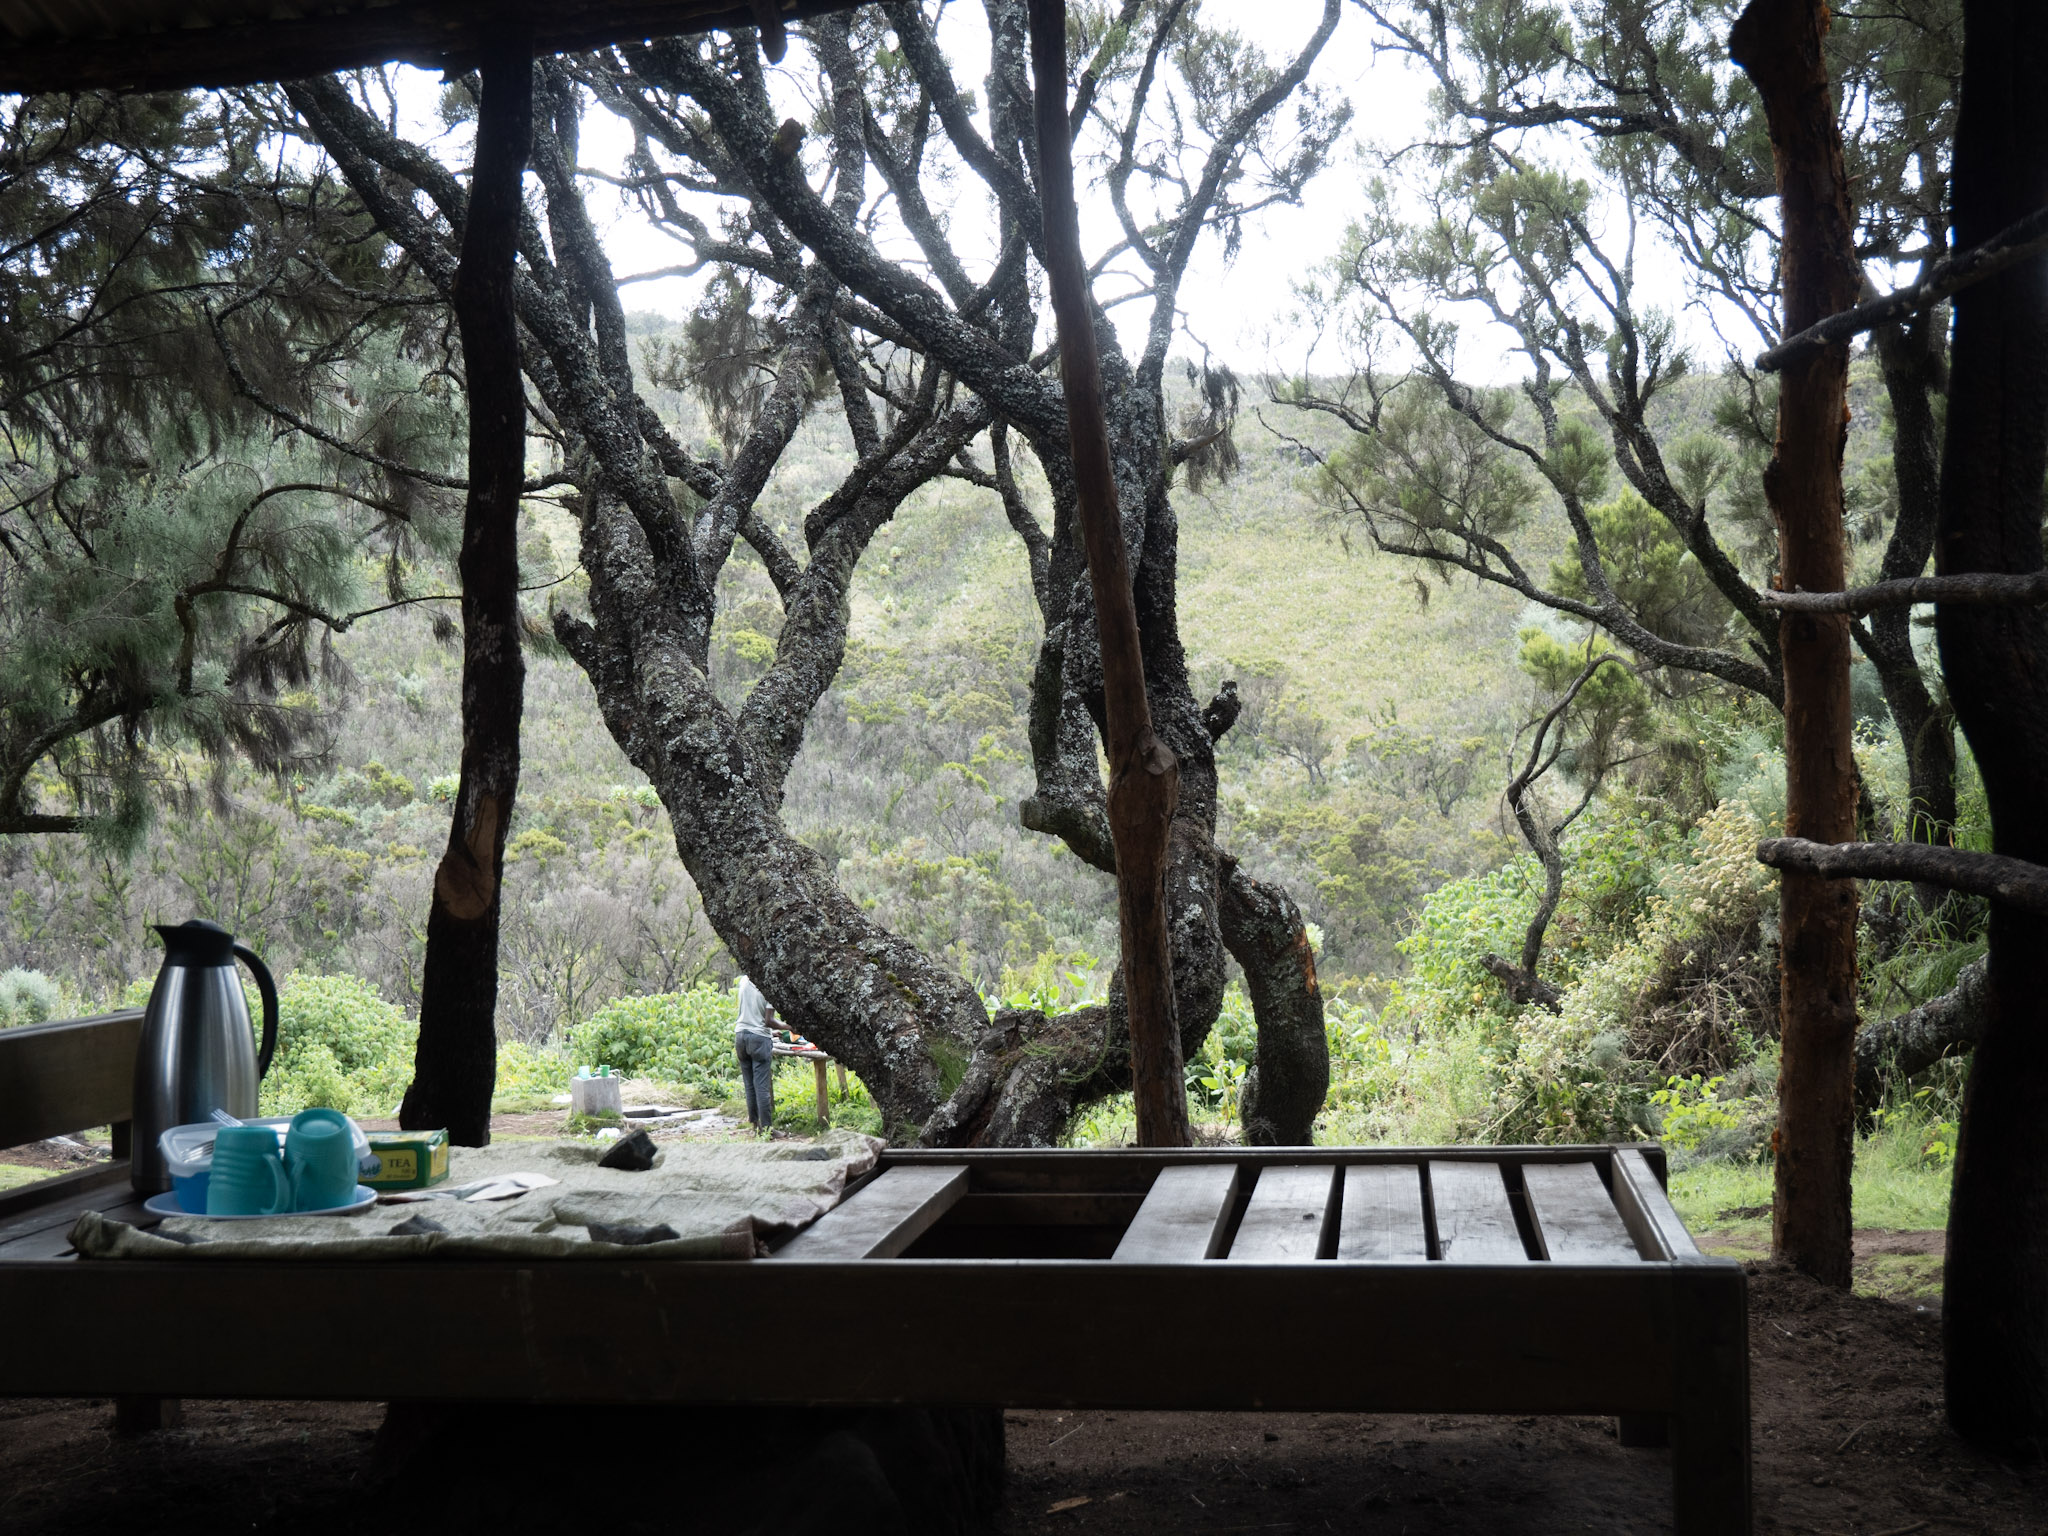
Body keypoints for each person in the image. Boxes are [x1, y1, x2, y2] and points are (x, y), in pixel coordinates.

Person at [733, 975, 778, 1131]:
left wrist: (773, 1032)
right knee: (761, 1087)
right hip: (759, 1039)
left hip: (740, 1036)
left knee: (749, 1085)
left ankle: (755, 1125)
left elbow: (752, 1013)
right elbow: (769, 1021)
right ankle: (767, 1129)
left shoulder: (744, 980)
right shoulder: (769, 984)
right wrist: (790, 1027)